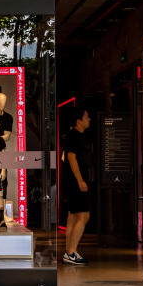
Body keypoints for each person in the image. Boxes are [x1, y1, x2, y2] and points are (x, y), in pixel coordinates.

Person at [61, 107, 93, 265]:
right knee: (84, 215)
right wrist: (80, 180)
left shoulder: (75, 136)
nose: (89, 119)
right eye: (86, 116)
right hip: (76, 182)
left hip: (73, 181)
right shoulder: (75, 136)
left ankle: (69, 251)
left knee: (73, 216)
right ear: (78, 120)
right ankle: (71, 251)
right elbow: (71, 158)